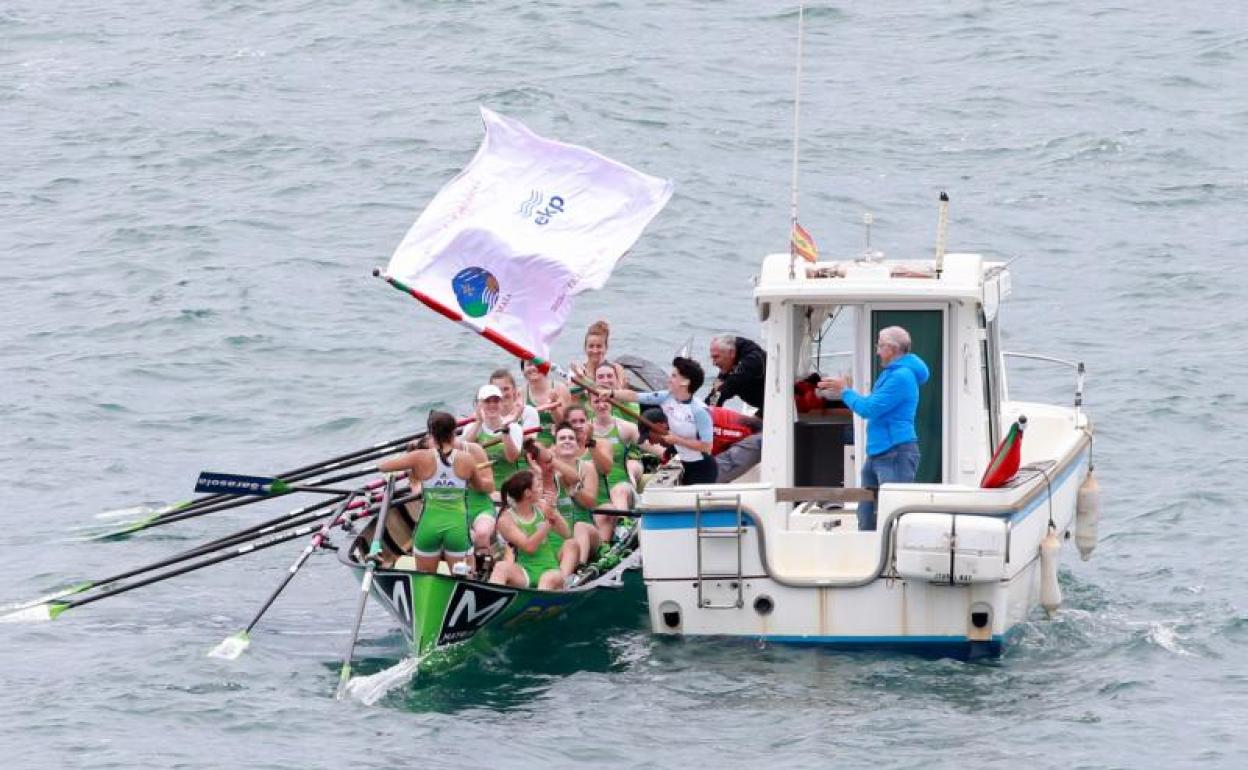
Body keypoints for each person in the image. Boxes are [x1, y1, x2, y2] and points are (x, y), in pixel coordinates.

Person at [819, 325, 929, 531]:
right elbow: (874, 404)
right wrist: (847, 390)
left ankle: (890, 560)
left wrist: (844, 390)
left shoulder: (901, 376)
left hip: (895, 452)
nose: (877, 351)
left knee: (892, 515)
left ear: (890, 349)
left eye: (879, 346)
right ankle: (866, 555)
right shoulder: (893, 373)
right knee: (866, 512)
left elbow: (869, 408)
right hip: (880, 452)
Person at [377, 410, 493, 574]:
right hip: (457, 528)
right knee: (466, 577)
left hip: (428, 527)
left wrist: (412, 460)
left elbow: (383, 466)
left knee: (425, 578)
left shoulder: (419, 457)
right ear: (454, 432)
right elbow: (482, 487)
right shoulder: (467, 459)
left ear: (431, 434)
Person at [611, 357, 717, 485]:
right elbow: (634, 396)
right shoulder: (666, 397)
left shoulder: (700, 411)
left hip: (703, 469)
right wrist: (610, 393)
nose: (669, 379)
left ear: (685, 382)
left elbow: (707, 447)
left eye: (673, 376)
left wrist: (677, 440)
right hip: (686, 466)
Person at [463, 382, 528, 562]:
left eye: (495, 401)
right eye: (487, 401)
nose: (492, 405)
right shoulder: (471, 429)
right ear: (479, 405)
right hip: (483, 489)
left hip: (510, 488)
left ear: (502, 404)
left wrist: (505, 431)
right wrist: (477, 423)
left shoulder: (514, 428)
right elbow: (460, 453)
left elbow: (512, 457)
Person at [489, 470, 570, 590]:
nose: (541, 488)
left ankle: (538, 602)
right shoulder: (505, 520)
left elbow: (566, 533)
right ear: (528, 493)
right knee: (501, 567)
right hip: (525, 571)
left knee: (546, 579)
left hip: (550, 569)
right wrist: (549, 522)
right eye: (537, 485)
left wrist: (553, 512)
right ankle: (490, 601)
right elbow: (529, 547)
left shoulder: (542, 507)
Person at [588, 388, 641, 541]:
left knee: (619, 490)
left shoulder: (626, 428)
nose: (601, 405)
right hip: (599, 492)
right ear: (590, 404)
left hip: (623, 489)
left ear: (612, 402)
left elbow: (655, 447)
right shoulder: (584, 430)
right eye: (596, 401)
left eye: (605, 400)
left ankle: (623, 529)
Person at [706, 334, 767, 415]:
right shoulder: (730, 361)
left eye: (716, 357)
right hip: (766, 405)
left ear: (731, 353)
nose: (714, 363)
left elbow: (729, 387)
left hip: (779, 404)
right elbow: (716, 397)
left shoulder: (752, 361)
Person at [570, 320, 627, 406]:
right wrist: (579, 378)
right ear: (585, 348)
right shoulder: (578, 371)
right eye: (591, 346)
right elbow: (572, 401)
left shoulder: (616, 369)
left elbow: (620, 397)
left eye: (599, 346)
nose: (595, 350)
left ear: (606, 348)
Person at [521, 358, 570, 446]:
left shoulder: (560, 388)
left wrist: (553, 407)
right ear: (523, 370)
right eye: (529, 364)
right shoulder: (520, 393)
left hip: (557, 445)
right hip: (531, 445)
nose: (533, 368)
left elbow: (566, 425)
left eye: (537, 364)